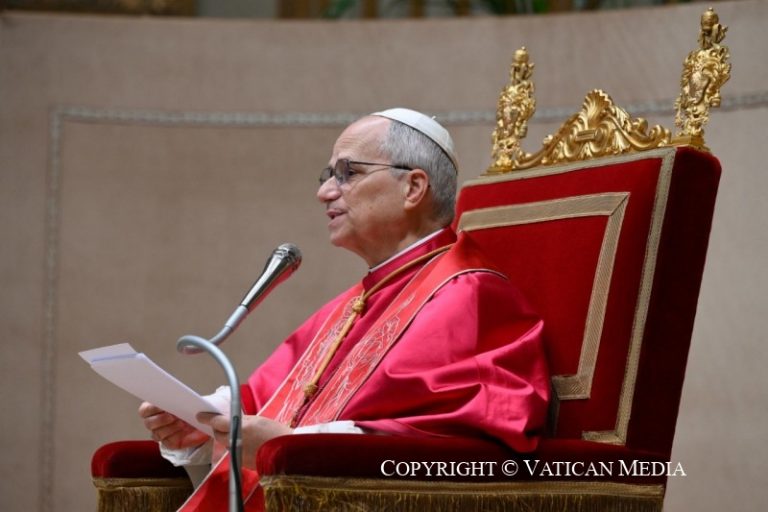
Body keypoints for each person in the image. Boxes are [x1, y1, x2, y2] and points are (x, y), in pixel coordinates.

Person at [139, 108, 550, 510]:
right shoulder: (357, 301)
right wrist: (203, 422)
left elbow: (457, 441)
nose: (325, 192)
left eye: (348, 173)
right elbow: (271, 399)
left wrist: (292, 447)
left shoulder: (469, 294)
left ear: (413, 187)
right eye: (328, 176)